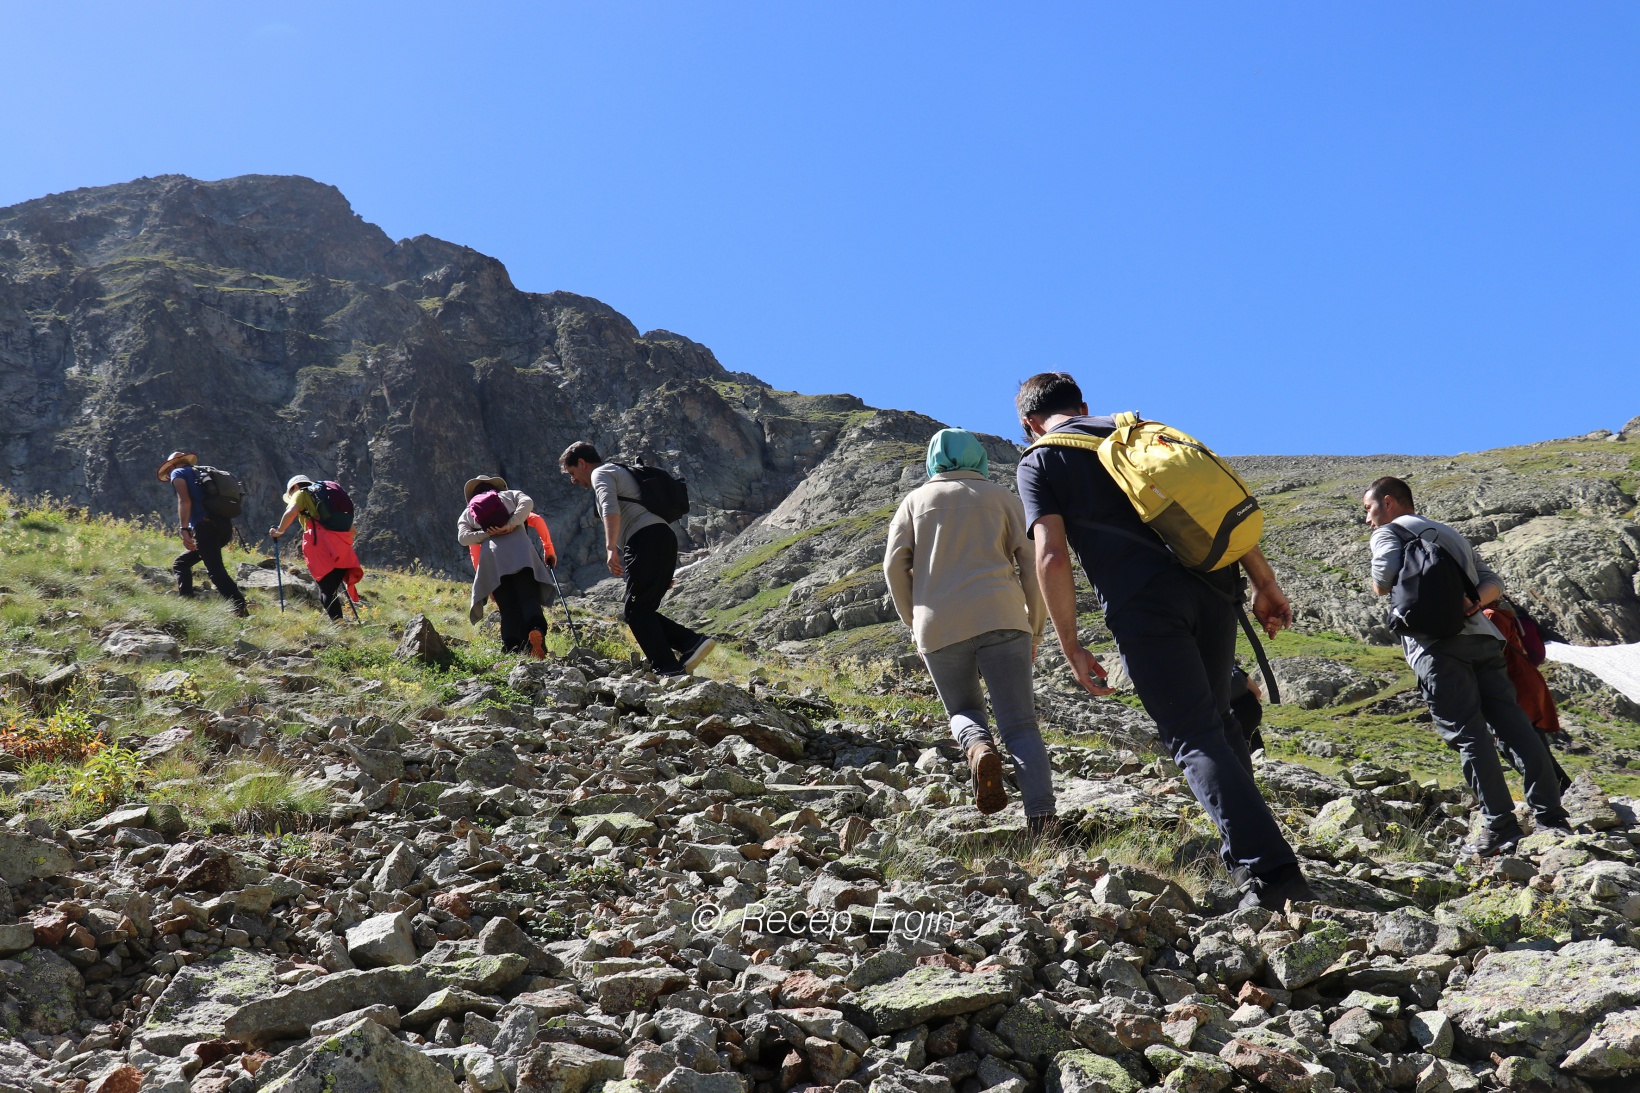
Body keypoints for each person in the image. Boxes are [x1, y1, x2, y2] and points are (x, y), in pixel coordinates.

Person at [1013, 373, 1315, 910]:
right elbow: (1214, 509)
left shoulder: (1040, 460)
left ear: (1028, 424)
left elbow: (1052, 555)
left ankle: (1270, 875)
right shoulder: (1137, 433)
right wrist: (1265, 585)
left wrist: (1070, 644)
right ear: (1082, 404)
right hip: (1215, 588)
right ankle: (1244, 852)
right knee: (1218, 722)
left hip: (1144, 606)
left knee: (1194, 736)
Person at [1363, 475, 1570, 855]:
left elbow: (1383, 578)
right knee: (1514, 726)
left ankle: (1500, 827)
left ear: (1389, 502)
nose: (1368, 519)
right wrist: (1474, 602)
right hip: (1485, 640)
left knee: (1468, 734)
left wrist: (1384, 582)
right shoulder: (1449, 532)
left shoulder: (1388, 531)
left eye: (1369, 509)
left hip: (1437, 648)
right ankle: (1552, 816)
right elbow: (1493, 581)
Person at [884, 428, 1055, 837]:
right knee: (1020, 725)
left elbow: (893, 567)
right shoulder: (1002, 498)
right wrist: (1034, 628)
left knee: (962, 711)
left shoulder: (914, 502)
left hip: (939, 624)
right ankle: (1044, 824)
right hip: (1003, 616)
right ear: (977, 458)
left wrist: (914, 621)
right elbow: (1033, 566)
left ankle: (978, 747)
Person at [561, 443, 715, 677]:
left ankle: (669, 666)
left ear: (582, 463)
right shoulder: (618, 472)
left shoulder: (601, 474)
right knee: (641, 609)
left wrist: (611, 548)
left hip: (645, 540)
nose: (573, 480)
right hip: (661, 538)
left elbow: (610, 509)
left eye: (572, 473)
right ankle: (689, 644)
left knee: (635, 611)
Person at [458, 475, 557, 660]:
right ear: (496, 487)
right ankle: (536, 631)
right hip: (522, 555)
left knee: (508, 608)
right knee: (528, 598)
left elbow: (464, 540)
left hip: (493, 563)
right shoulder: (510, 495)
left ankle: (512, 649)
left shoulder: (469, 512)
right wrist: (512, 523)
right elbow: (529, 504)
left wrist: (486, 533)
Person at [157, 450, 248, 617]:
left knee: (216, 570)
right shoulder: (201, 473)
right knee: (181, 563)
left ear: (171, 466)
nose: (169, 475)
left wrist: (184, 529)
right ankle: (187, 602)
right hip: (224, 526)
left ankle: (240, 608)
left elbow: (185, 501)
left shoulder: (178, 472)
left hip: (205, 527)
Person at [269, 475, 363, 621]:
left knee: (326, 590)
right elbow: (352, 531)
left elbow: (291, 511)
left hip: (320, 546)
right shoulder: (327, 499)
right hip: (342, 547)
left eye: (290, 492)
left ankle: (340, 625)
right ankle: (340, 623)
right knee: (330, 590)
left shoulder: (301, 493)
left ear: (295, 487)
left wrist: (279, 531)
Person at [1229, 666, 1266, 754]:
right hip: (1253, 710)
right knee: (1252, 738)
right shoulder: (1234, 668)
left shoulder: (1204, 674)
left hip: (1232, 715)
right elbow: (1258, 693)